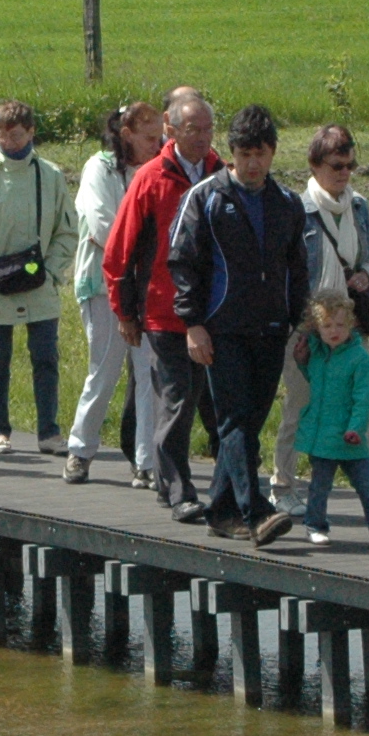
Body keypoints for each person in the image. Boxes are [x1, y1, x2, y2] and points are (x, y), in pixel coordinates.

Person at [168, 104, 311, 547]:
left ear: (272, 153)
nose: (253, 163)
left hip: (271, 329)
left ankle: (221, 509)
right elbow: (182, 262)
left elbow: (298, 268)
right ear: (229, 153)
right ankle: (257, 513)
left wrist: (299, 323)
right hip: (221, 329)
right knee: (232, 420)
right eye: (245, 154)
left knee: (249, 421)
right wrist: (193, 325)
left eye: (261, 154)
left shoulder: (287, 203)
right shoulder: (206, 197)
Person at [105, 88, 222, 519]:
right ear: (171, 130)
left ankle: (228, 487)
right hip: (164, 312)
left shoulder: (221, 174)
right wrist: (124, 311)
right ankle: (177, 489)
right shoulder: (150, 178)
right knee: (176, 399)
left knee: (216, 403)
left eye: (209, 129)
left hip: (216, 313)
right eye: (193, 129)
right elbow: (119, 251)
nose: (202, 138)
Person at [274, 122, 369, 514]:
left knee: (360, 406)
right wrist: (298, 327)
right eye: (336, 165)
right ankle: (282, 488)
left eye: (350, 165)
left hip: (350, 326)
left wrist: (367, 276)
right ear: (314, 166)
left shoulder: (359, 206)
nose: (344, 173)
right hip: (306, 328)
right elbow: (284, 271)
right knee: (300, 406)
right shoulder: (296, 209)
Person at [0, 99, 74, 458]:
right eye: (1, 135)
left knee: (46, 358)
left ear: (32, 132)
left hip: (40, 284)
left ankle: (49, 432)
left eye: (16, 135)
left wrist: (51, 273)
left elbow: (68, 230)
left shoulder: (50, 175)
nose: (9, 142)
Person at [64, 102, 162, 487]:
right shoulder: (98, 168)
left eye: (161, 137)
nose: (159, 145)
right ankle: (80, 451)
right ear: (127, 134)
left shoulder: (157, 168)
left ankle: (146, 462)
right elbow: (104, 226)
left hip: (147, 284)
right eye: (151, 138)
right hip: (104, 282)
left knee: (148, 372)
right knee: (103, 370)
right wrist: (144, 248)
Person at [293, 295, 369, 550]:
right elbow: (315, 381)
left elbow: (362, 400)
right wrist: (302, 363)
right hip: (322, 437)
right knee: (319, 487)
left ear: (351, 325)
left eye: (341, 326)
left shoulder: (360, 359)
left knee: (367, 487)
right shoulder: (318, 355)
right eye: (328, 326)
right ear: (317, 328)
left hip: (350, 438)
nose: (334, 332)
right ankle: (315, 525)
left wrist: (356, 428)